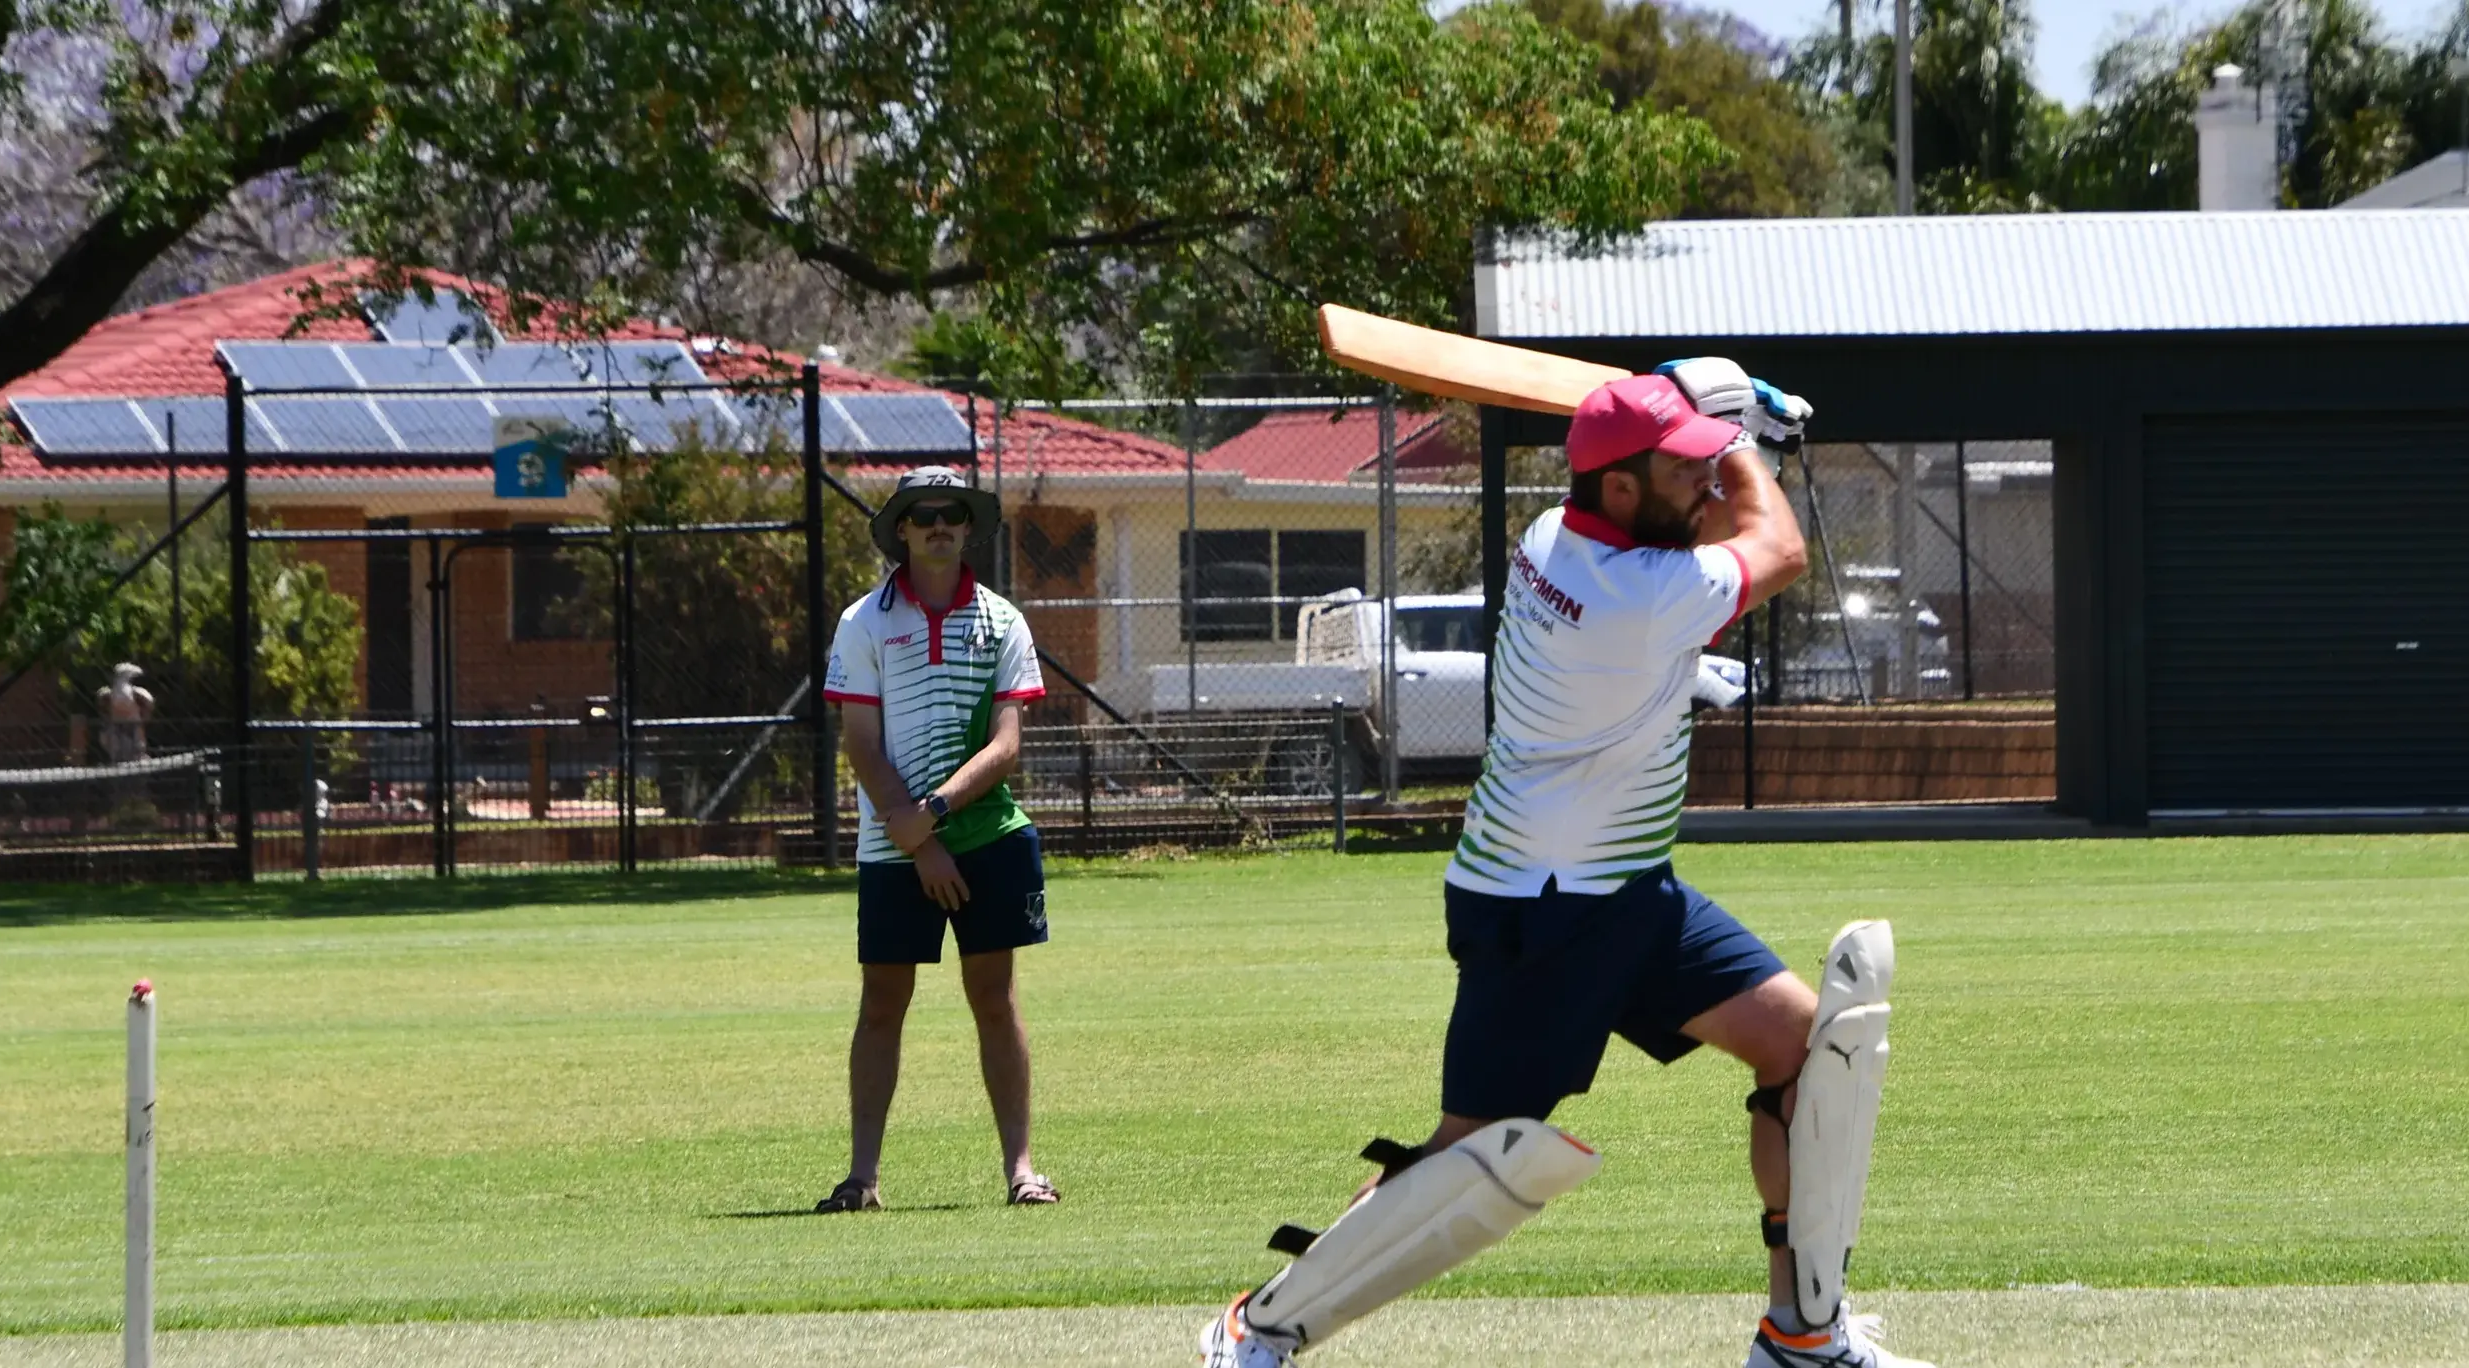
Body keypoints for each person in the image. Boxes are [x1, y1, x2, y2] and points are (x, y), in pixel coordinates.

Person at [1199, 366, 1932, 1368]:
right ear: (1620, 489)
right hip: (1541, 908)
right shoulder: (1639, 595)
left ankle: (1802, 1333)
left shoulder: (1556, 533)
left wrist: (1705, 425)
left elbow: (1713, 526)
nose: (1704, 483)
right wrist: (1741, 442)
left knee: (1807, 1048)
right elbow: (1780, 547)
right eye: (1683, 469)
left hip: (1627, 889)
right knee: (1467, 1157)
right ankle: (1259, 1326)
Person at [816, 466, 1059, 1213]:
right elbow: (861, 745)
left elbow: (1006, 746)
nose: (939, 525)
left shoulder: (1001, 620)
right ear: (901, 529)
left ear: (968, 525)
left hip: (986, 837)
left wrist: (938, 813)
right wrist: (918, 842)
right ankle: (862, 1178)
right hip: (896, 845)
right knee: (882, 1000)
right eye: (923, 515)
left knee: (995, 996)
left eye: (952, 512)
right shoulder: (863, 622)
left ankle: (1022, 1171)